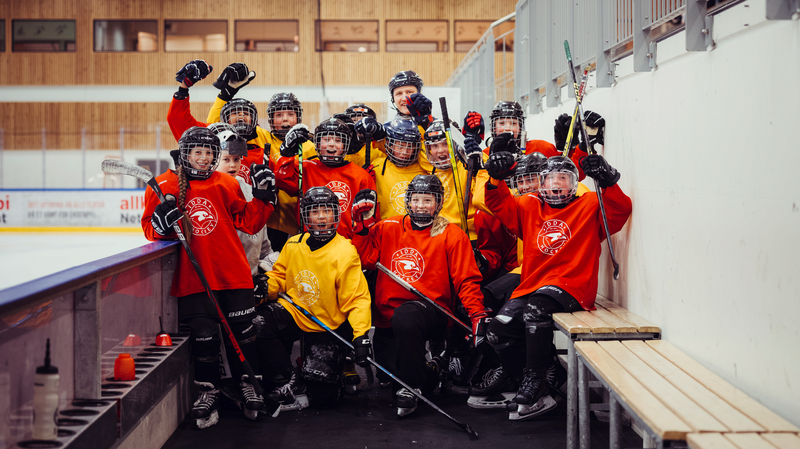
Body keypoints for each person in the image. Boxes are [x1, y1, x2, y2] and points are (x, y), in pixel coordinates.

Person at [482, 135, 632, 420]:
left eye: (563, 178)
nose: (556, 184)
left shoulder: (588, 205)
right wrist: (495, 178)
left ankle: (535, 381)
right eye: (550, 178)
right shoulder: (528, 205)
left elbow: (620, 210)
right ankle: (544, 381)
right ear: (542, 182)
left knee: (536, 308)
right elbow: (498, 204)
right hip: (534, 284)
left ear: (574, 183)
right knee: (497, 331)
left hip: (573, 286)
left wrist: (609, 181)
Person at [141, 126, 278, 428]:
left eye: (208, 153)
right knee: (204, 338)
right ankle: (209, 390)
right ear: (185, 154)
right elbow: (150, 230)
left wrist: (266, 199)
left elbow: (249, 222)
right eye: (197, 152)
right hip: (194, 277)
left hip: (232, 272)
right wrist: (161, 226)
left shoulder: (227, 182)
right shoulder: (163, 185)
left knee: (244, 333)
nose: (203, 159)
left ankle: (247, 384)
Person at [351, 174, 488, 417]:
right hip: (388, 317)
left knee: (407, 321)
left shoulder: (452, 234)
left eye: (428, 200)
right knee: (388, 376)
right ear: (408, 202)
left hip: (430, 311)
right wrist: (361, 228)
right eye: (416, 200)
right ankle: (434, 367)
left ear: (439, 203)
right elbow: (367, 260)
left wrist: (476, 313)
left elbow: (466, 278)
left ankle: (411, 386)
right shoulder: (388, 227)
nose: (421, 205)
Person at [256, 187, 372, 410]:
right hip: (295, 312)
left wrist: (361, 336)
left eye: (326, 211)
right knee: (259, 324)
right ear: (306, 215)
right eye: (314, 211)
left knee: (323, 398)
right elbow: (280, 276)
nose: (320, 217)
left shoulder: (345, 251)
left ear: (336, 214)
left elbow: (357, 298)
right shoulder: (294, 244)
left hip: (327, 324)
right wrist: (265, 288)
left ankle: (323, 374)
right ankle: (290, 379)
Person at [272, 117, 379, 239]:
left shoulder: (360, 175)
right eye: (326, 139)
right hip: (309, 241)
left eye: (338, 140)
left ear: (345, 145)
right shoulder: (305, 167)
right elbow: (281, 180)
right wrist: (287, 155)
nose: (331, 144)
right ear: (317, 144)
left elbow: (371, 217)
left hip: (347, 245)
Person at [367, 118, 428, 220]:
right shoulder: (377, 166)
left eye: (410, 147)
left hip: (413, 229)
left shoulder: (423, 169)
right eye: (399, 146)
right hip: (385, 228)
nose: (404, 152)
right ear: (390, 144)